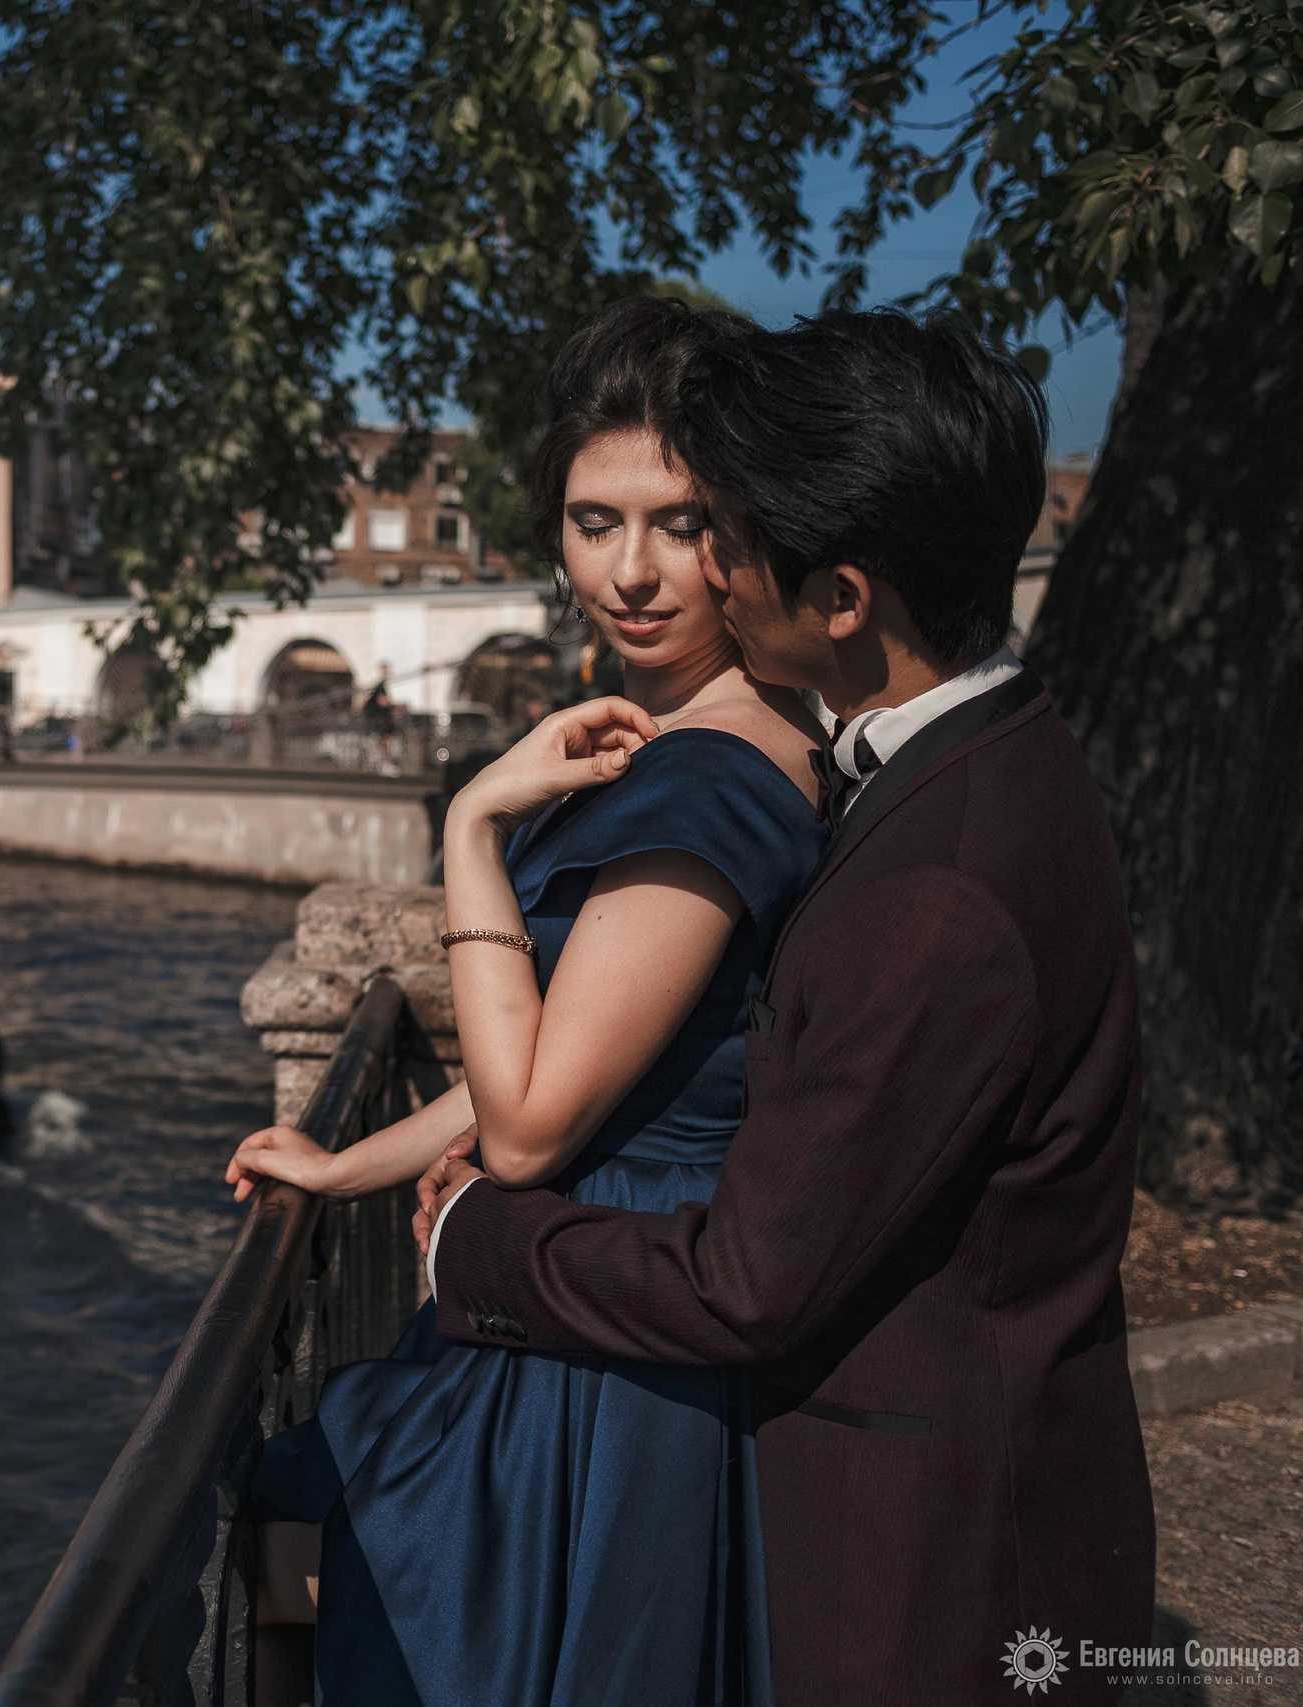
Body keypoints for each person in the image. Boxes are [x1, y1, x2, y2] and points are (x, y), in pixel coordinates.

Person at [418, 308, 1152, 1702]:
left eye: (728, 536)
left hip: (924, 1568)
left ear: (844, 597)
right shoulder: (998, 761)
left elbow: (745, 1284)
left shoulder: (933, 889)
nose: (701, 574)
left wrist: (475, 1241)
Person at [225, 296, 826, 1703]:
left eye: (680, 522)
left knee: (428, 1613)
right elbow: (555, 1047)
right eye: (592, 521)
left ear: (748, 528)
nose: (631, 571)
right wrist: (346, 1166)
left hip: (610, 1319)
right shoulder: (679, 741)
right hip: (573, 1277)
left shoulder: (715, 772)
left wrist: (471, 829)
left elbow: (533, 1118)